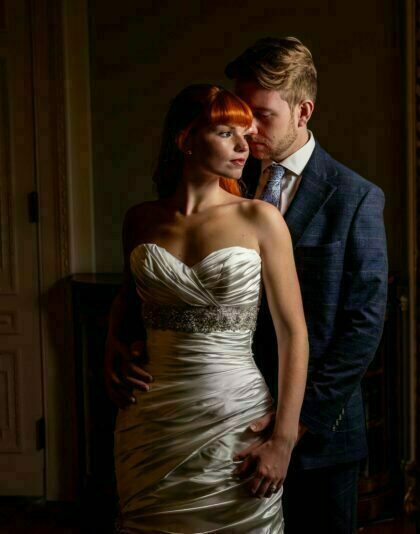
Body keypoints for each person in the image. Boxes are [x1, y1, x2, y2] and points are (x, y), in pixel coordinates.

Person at [106, 37, 389, 534]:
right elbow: (146, 285)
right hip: (198, 420)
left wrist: (291, 428)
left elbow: (362, 326)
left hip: (317, 430)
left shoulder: (354, 197)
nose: (249, 131)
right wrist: (115, 340)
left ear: (303, 111)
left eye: (261, 115)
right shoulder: (218, 168)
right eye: (238, 115)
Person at [106, 84, 309, 532]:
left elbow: (293, 333)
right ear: (186, 139)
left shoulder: (261, 219)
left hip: (234, 420)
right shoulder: (141, 219)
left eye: (245, 133)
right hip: (150, 422)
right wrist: (111, 351)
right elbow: (127, 299)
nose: (243, 146)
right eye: (225, 133)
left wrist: (283, 440)